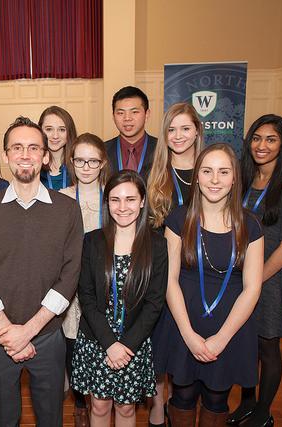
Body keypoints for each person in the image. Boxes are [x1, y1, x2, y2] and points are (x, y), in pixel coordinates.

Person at [0, 116, 84, 426]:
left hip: (48, 336)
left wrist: (29, 330)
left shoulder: (68, 209)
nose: (25, 154)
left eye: (34, 147)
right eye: (17, 147)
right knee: (4, 419)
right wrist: (10, 333)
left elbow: (70, 276)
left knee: (50, 418)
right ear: (5, 155)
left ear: (45, 156)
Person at [162, 143, 264, 426]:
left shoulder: (251, 225)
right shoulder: (179, 219)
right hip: (184, 321)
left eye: (223, 172)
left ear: (234, 179)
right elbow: (169, 280)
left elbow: (252, 287)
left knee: (217, 399)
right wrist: (188, 334)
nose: (215, 180)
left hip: (230, 327)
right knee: (182, 395)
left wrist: (222, 338)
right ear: (196, 177)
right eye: (207, 171)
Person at [71, 170, 168, 427]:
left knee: (126, 408)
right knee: (99, 405)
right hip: (97, 337)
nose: (122, 207)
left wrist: (125, 345)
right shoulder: (92, 241)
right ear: (107, 202)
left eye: (130, 199)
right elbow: (87, 297)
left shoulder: (157, 245)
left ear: (143, 201)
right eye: (115, 199)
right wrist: (109, 343)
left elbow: (155, 302)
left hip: (132, 340)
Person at [228, 115, 282, 427]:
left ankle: (263, 411)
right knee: (245, 341)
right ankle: (247, 402)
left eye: (270, 139)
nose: (262, 146)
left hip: (269, 278)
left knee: (267, 345)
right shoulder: (246, 178)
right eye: (257, 138)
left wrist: (255, 282)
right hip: (240, 273)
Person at [146, 103, 204, 427]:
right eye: (171, 129)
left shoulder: (211, 171)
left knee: (188, 346)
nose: (178, 135)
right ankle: (158, 408)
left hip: (201, 276)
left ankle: (178, 405)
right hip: (163, 274)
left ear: (197, 130)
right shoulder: (156, 177)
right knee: (160, 346)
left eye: (185, 128)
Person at [59, 132, 111, 426]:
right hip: (71, 286)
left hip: (105, 286)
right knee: (72, 345)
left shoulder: (114, 196)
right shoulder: (61, 198)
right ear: (72, 162)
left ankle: (99, 403)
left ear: (102, 163)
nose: (87, 166)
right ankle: (80, 405)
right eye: (80, 160)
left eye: (93, 161)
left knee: (102, 343)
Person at [105, 86, 157, 180]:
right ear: (113, 116)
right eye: (121, 113)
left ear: (147, 114)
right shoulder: (102, 151)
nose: (127, 118)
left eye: (134, 112)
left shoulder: (162, 149)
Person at [39, 106, 77, 190]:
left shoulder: (81, 166)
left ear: (69, 132)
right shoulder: (33, 166)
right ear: (40, 131)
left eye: (62, 130)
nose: (55, 136)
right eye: (49, 129)